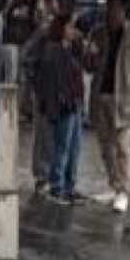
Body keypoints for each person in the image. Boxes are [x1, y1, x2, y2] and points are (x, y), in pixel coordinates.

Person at [85, 0, 130, 214]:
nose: (111, 13)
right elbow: (88, 66)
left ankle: (123, 190)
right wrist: (91, 54)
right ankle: (114, 184)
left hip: (124, 98)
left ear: (123, 10)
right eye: (108, 8)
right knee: (106, 146)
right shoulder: (98, 33)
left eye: (115, 8)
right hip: (101, 95)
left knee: (123, 146)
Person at [23, 0, 79, 193]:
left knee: (67, 142)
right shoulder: (45, 34)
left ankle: (63, 180)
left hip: (68, 96)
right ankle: (44, 176)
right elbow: (28, 58)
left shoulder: (73, 40)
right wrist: (38, 84)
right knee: (47, 137)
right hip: (48, 95)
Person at [33, 13, 88, 204]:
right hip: (65, 105)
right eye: (69, 26)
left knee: (74, 147)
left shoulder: (71, 49)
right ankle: (57, 185)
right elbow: (54, 80)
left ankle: (69, 185)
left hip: (75, 103)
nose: (73, 30)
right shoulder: (53, 51)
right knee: (62, 146)